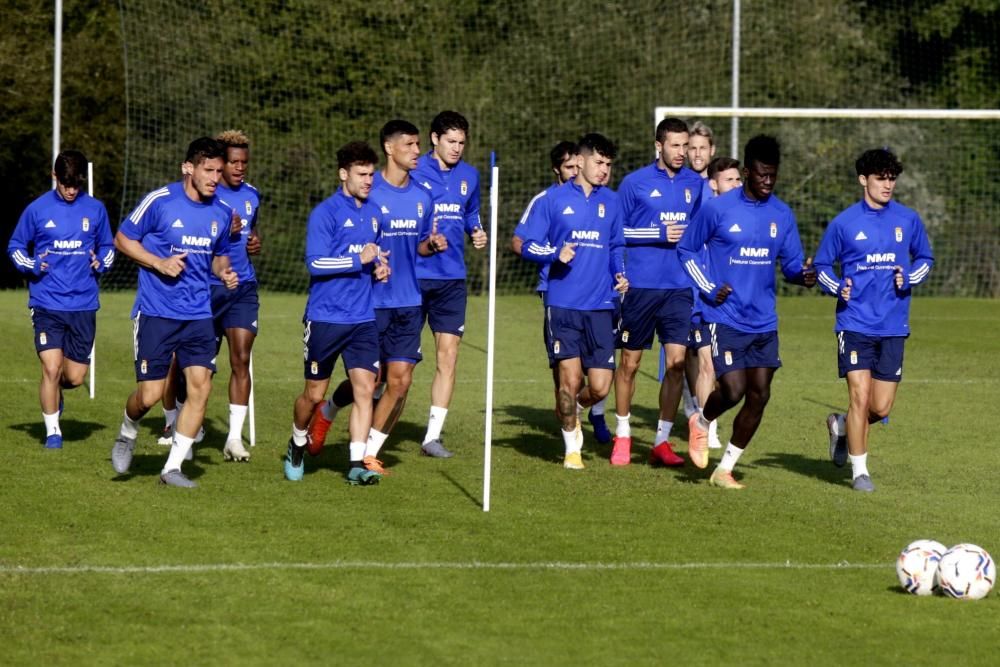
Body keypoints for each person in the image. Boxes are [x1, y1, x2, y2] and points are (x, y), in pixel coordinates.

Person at [679, 135, 816, 489]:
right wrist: (709, 288)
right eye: (760, 174)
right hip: (725, 315)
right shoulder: (718, 209)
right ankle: (701, 419)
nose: (767, 181)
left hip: (764, 320)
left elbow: (790, 266)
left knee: (761, 394)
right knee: (734, 389)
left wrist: (804, 276)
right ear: (746, 171)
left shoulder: (781, 214)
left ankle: (724, 469)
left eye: (773, 175)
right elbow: (687, 250)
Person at [110, 137, 239, 487]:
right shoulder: (160, 201)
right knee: (149, 396)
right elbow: (122, 239)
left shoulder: (223, 212)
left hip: (198, 314)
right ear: (189, 168)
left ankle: (172, 468)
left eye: (219, 170)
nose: (215, 177)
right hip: (156, 312)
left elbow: (219, 255)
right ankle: (127, 430)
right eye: (208, 170)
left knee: (201, 388)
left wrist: (223, 272)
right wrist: (158, 262)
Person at [308, 120, 432, 474]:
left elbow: (416, 247)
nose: (416, 150)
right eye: (409, 144)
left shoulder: (424, 196)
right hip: (370, 302)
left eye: (418, 144)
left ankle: (368, 453)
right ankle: (328, 410)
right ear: (390, 148)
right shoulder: (366, 193)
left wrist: (430, 245)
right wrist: (370, 264)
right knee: (369, 381)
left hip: (409, 299)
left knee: (401, 380)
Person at [815, 148, 934, 492]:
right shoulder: (844, 223)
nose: (888, 184)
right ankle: (860, 472)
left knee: (879, 407)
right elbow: (823, 266)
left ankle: (840, 425)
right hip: (854, 324)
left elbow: (926, 258)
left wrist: (909, 277)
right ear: (863, 180)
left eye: (892, 177)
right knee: (860, 398)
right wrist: (839, 287)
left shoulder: (908, 220)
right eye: (881, 177)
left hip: (893, 325)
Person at [518, 133, 628, 469]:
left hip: (601, 307)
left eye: (608, 164)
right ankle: (571, 451)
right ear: (578, 162)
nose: (604, 170)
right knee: (568, 380)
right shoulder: (551, 200)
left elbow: (617, 246)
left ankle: (575, 411)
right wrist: (554, 254)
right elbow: (521, 242)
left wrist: (621, 274)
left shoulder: (612, 202)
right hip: (563, 305)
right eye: (598, 162)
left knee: (599, 387)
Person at [284, 141, 390, 485]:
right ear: (343, 174)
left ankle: (356, 463)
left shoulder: (375, 213)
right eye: (362, 174)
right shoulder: (325, 213)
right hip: (325, 317)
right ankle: (298, 441)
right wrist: (357, 260)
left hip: (362, 318)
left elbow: (374, 254)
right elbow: (315, 263)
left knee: (365, 388)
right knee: (314, 395)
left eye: (372, 174)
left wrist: (379, 267)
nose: (368, 180)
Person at [7, 150, 115, 449]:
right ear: (56, 177)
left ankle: (57, 394)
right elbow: (16, 245)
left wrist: (101, 262)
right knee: (51, 369)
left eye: (75, 184)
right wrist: (31, 265)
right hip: (47, 301)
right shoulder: (37, 209)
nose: (70, 190)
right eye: (65, 183)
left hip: (83, 303)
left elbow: (108, 245)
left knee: (74, 377)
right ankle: (53, 431)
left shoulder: (95, 209)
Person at [612, 117, 703, 467]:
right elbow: (617, 232)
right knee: (630, 364)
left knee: (677, 365)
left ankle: (662, 442)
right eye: (676, 145)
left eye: (686, 146)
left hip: (679, 288)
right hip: (641, 286)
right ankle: (623, 434)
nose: (682, 153)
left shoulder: (696, 185)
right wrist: (657, 233)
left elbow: (698, 233)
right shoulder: (634, 183)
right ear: (659, 146)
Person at [411, 110, 488, 458]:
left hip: (452, 278)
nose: (457, 148)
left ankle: (432, 436)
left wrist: (477, 230)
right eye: (451, 141)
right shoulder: (413, 171)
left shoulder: (469, 176)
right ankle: (371, 421)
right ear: (434, 139)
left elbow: (471, 211)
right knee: (397, 364)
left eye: (461, 142)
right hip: (411, 277)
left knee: (449, 356)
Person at [681, 156, 743, 447]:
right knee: (707, 365)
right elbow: (687, 253)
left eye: (738, 179)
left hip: (733, 305)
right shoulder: (706, 214)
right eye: (729, 179)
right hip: (702, 300)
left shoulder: (745, 216)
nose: (736, 184)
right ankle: (709, 428)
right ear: (714, 184)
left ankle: (697, 411)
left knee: (721, 369)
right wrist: (704, 289)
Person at [687, 121, 717, 203]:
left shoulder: (722, 185)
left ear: (712, 150)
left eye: (703, 148)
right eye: (693, 148)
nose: (697, 154)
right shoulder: (677, 184)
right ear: (686, 151)